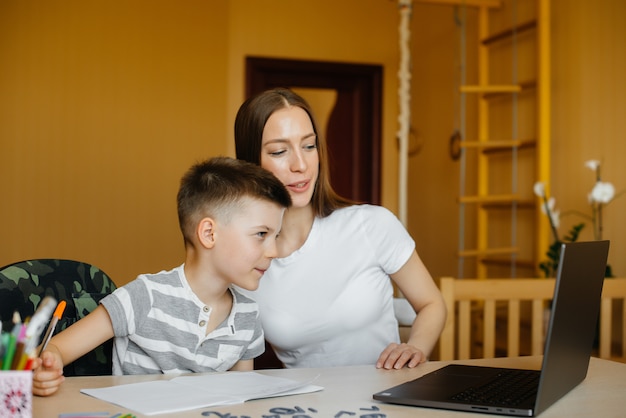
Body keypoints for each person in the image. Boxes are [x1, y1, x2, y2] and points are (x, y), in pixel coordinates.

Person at [31, 156, 292, 396]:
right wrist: (47, 366)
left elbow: (240, 397)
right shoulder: (145, 296)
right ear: (209, 234)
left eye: (277, 236)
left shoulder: (248, 316)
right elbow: (57, 349)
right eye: (261, 234)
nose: (275, 251)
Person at [234, 88, 447, 370]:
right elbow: (237, 373)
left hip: (387, 402)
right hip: (307, 409)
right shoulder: (245, 260)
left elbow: (432, 304)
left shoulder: (372, 225)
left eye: (309, 146)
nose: (300, 165)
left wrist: (415, 348)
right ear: (251, 163)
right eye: (279, 151)